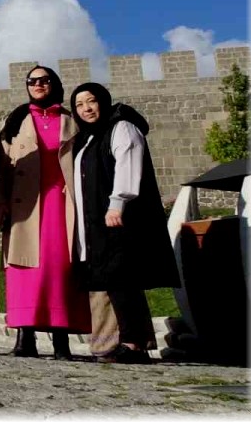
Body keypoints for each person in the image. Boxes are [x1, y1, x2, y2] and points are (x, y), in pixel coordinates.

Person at [71, 82, 179, 364]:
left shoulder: (122, 128)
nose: (86, 108)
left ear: (103, 102)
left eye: (91, 101)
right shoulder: (88, 138)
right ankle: (124, 341)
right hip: (96, 221)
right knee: (110, 279)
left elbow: (128, 165)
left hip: (118, 216)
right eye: (80, 104)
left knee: (123, 279)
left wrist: (117, 202)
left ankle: (133, 344)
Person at [0, 66, 90, 359]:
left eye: (44, 80)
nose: (38, 85)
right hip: (25, 206)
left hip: (61, 205)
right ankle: (25, 339)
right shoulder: (16, 121)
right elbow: (0, 169)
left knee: (58, 270)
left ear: (54, 84)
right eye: (32, 81)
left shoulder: (71, 120)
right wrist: (0, 202)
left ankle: (61, 342)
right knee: (24, 271)